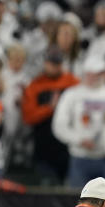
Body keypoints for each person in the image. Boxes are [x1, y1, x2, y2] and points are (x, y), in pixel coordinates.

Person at [51, 54, 105, 187]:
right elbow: (59, 126)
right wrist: (79, 139)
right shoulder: (71, 94)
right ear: (85, 73)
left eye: (99, 73)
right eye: (91, 73)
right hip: (80, 158)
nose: (94, 77)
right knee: (79, 202)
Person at [21, 47, 81, 184]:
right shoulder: (35, 85)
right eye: (51, 63)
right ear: (45, 63)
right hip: (44, 147)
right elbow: (28, 117)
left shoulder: (73, 82)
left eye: (57, 63)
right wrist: (49, 108)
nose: (54, 67)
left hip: (69, 147)